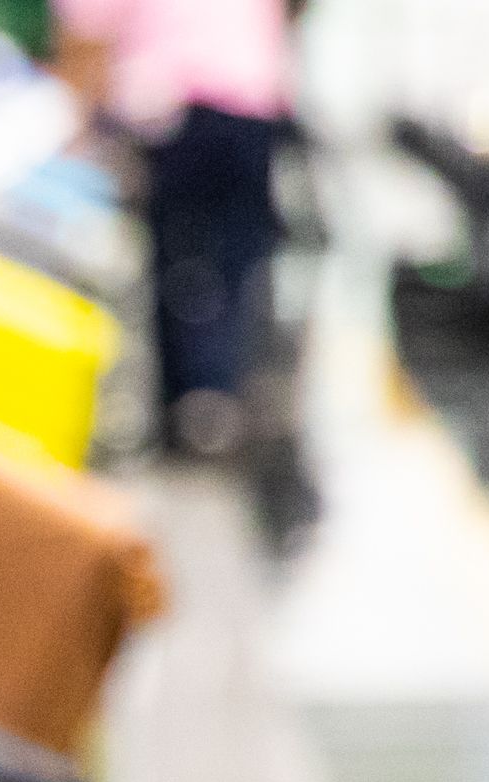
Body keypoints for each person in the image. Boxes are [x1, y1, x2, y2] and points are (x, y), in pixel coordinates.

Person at [62, 0, 293, 457]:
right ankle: (216, 385)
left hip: (177, 100)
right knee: (235, 255)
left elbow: (86, 28)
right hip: (253, 102)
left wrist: (82, 120)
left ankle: (188, 394)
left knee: (177, 254)